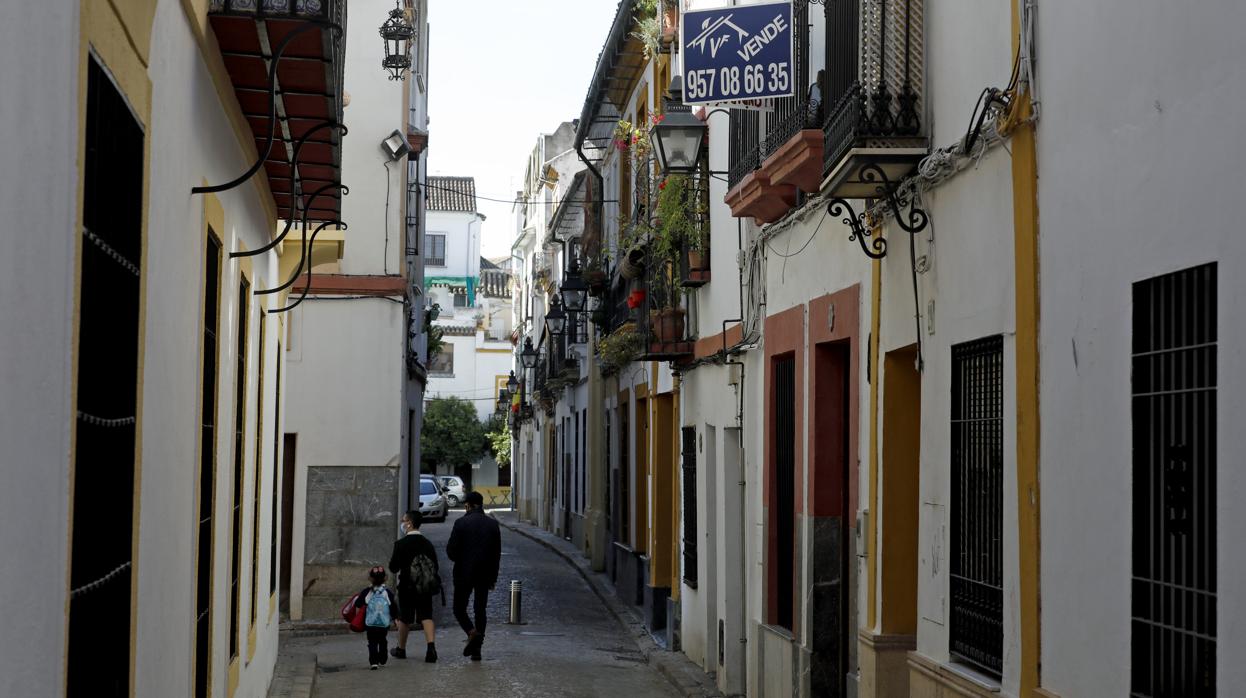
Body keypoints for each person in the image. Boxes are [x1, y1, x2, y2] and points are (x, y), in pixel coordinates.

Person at [445, 491, 501, 661]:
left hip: (463, 574)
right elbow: (496, 554)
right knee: (480, 610)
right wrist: (493, 578)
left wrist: (463, 558)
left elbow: (451, 552)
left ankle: (471, 632)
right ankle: (477, 649)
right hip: (485, 575)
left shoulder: (461, 523)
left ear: (468, 505)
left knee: (459, 609)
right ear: (481, 504)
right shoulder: (493, 525)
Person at [387, 509, 441, 663]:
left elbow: (393, 567)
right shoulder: (427, 544)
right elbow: (435, 566)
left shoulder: (401, 544)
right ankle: (431, 648)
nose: (402, 523)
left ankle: (401, 649)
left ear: (409, 524)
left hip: (407, 587)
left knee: (404, 619)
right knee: (426, 616)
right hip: (424, 587)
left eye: (404, 521)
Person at [354, 566, 399, 670]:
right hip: (383, 623)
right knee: (382, 640)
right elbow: (393, 607)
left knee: (372, 641)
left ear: (370, 578)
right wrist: (395, 618)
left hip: (370, 623)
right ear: (385, 578)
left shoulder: (367, 592)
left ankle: (373, 662)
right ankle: (382, 658)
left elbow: (358, 603)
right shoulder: (387, 592)